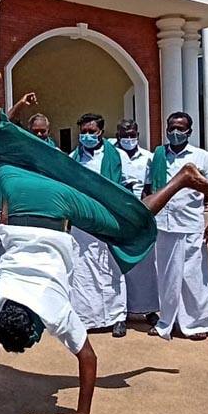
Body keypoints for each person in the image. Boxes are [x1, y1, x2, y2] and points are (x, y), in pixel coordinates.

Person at [0, 72, 208, 414]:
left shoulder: (52, 309)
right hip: (18, 200)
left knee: (126, 222)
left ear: (35, 325)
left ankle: (182, 178)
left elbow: (88, 358)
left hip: (58, 203)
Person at [143, 112, 208, 341]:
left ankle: (196, 324)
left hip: (191, 225)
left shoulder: (201, 157)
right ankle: (166, 322)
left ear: (189, 131)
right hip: (163, 225)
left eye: (180, 128)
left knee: (193, 277)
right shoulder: (158, 157)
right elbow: (150, 190)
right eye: (171, 128)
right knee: (166, 277)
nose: (175, 132)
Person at [69, 112, 130, 338]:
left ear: (101, 132)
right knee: (82, 269)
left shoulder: (116, 156)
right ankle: (86, 318)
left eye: (91, 132)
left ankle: (117, 317)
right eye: (83, 132)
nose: (87, 136)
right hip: (82, 222)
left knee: (111, 267)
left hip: (109, 220)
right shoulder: (73, 158)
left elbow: (125, 188)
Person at [114, 119, 160, 324]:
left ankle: (148, 308)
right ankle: (119, 312)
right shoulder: (111, 155)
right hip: (115, 216)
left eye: (132, 134)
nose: (129, 138)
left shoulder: (148, 158)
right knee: (116, 265)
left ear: (138, 134)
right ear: (117, 135)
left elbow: (150, 188)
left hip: (141, 215)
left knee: (145, 264)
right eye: (124, 135)